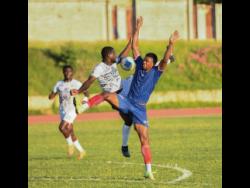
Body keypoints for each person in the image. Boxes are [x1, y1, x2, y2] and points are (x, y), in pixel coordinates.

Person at [73, 16, 179, 179]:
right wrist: (137, 29)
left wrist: (171, 44)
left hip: (140, 109)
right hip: (127, 101)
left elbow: (165, 59)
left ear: (154, 64)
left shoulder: (157, 72)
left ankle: (148, 170)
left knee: (144, 139)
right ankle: (85, 105)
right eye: (144, 61)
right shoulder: (138, 65)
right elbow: (135, 45)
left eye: (148, 62)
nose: (144, 63)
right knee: (107, 94)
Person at [73, 38, 134, 158]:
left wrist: (130, 42)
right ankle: (84, 105)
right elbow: (89, 81)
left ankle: (124, 146)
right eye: (114, 53)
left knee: (128, 121)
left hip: (124, 91)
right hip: (114, 96)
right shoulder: (99, 68)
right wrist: (80, 90)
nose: (116, 55)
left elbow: (122, 55)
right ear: (109, 55)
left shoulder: (113, 62)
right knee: (105, 94)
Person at [48, 65, 87, 160]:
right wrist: (52, 94)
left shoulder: (76, 83)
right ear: (63, 72)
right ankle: (82, 151)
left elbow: (86, 91)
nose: (67, 73)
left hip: (72, 109)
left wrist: (85, 100)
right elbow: (51, 96)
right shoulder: (59, 84)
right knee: (70, 131)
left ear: (72, 73)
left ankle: (70, 145)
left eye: (69, 72)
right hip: (62, 110)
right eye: (66, 71)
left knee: (61, 127)